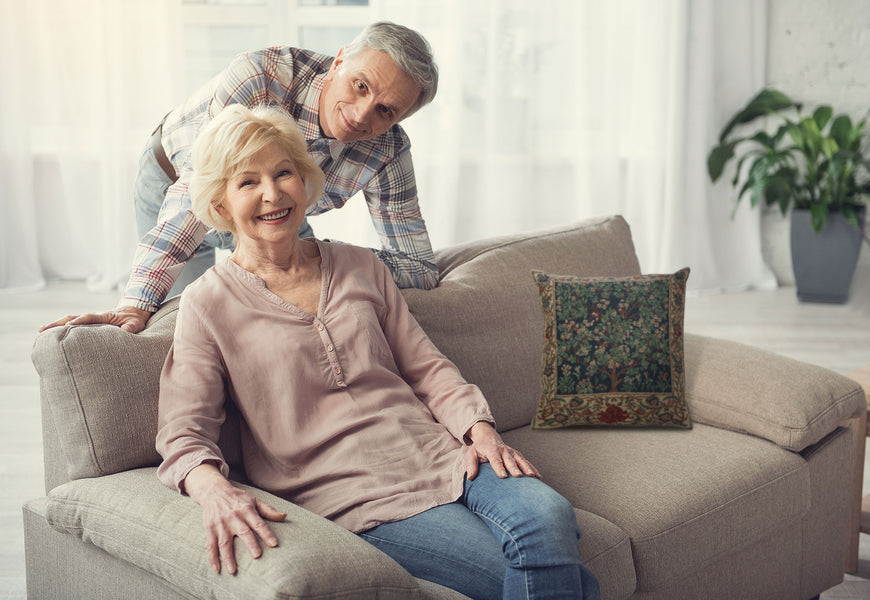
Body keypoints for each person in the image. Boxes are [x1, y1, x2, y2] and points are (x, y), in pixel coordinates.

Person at [155, 104, 600, 600]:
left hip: (444, 457)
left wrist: (481, 431)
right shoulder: (207, 303)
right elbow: (184, 432)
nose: (272, 194)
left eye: (284, 173)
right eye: (247, 183)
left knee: (548, 517)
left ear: (305, 181)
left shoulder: (360, 265)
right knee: (566, 581)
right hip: (346, 496)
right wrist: (214, 490)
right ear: (219, 204)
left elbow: (427, 367)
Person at [40, 21, 439, 335]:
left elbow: (418, 267)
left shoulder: (388, 149)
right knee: (179, 328)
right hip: (181, 183)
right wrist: (136, 304)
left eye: (386, 110)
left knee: (277, 324)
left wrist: (328, 259)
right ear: (339, 62)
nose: (362, 114)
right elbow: (198, 195)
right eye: (360, 85)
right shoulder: (262, 77)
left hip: (276, 212)